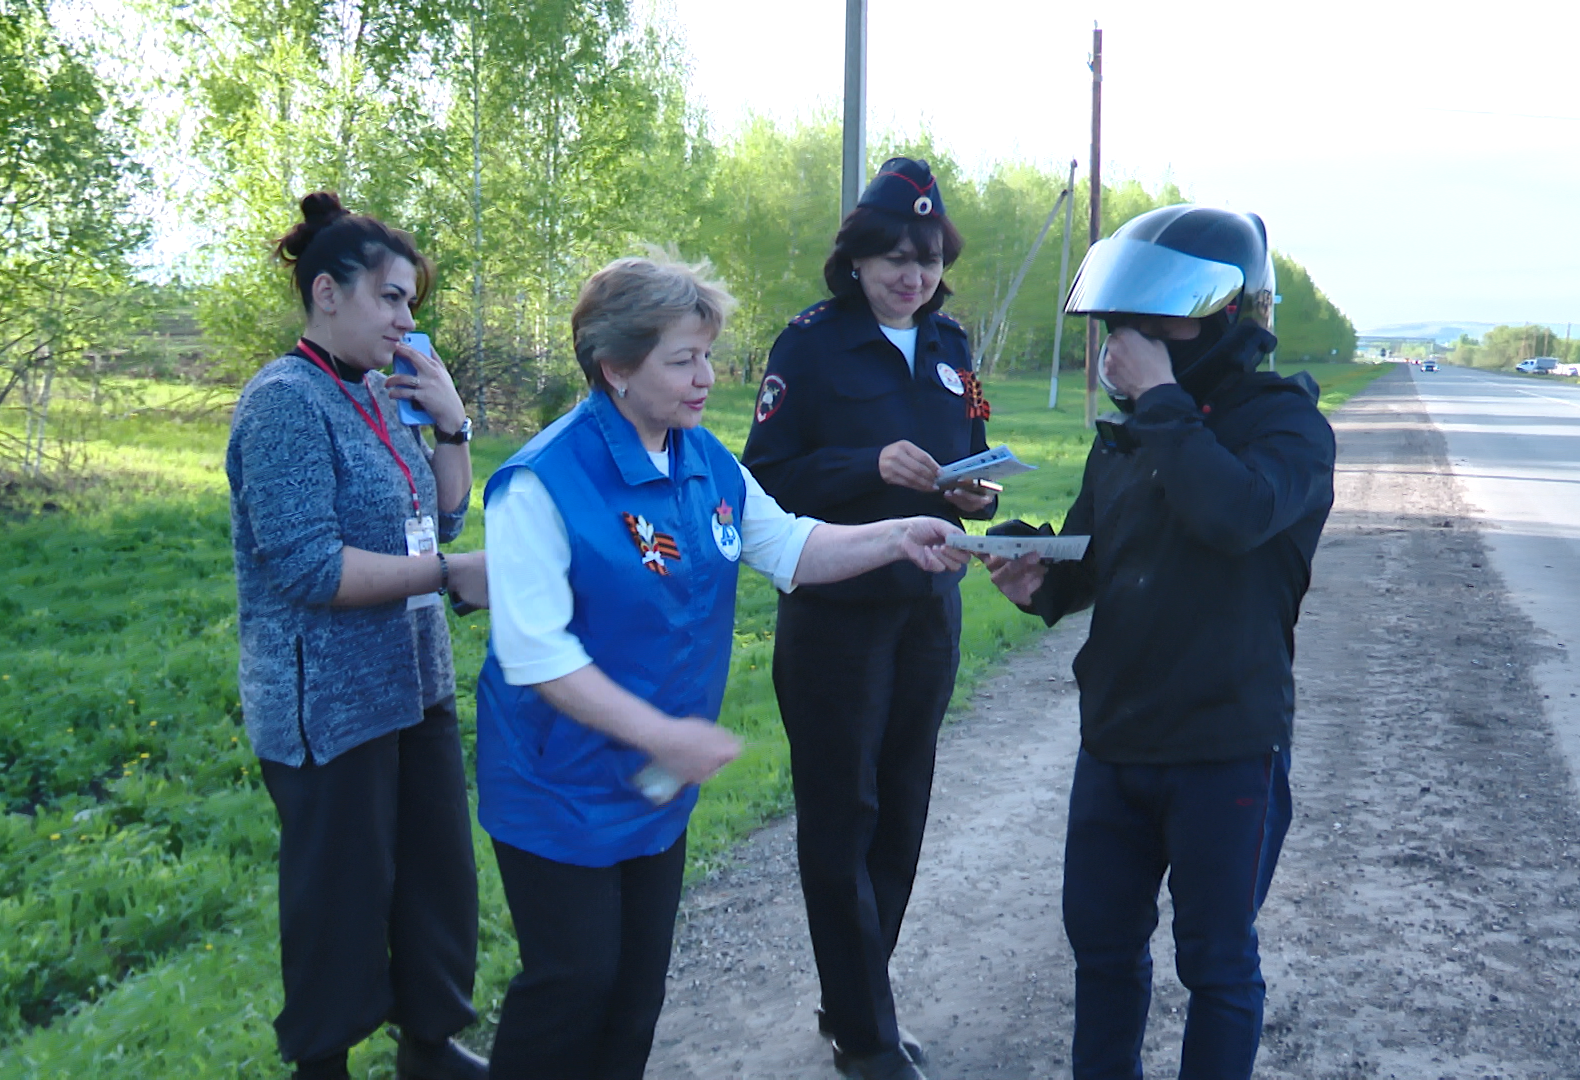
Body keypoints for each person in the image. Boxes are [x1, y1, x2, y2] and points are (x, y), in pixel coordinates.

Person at [473, 252, 969, 1080]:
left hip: (658, 786)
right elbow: (539, 657)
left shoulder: (703, 460)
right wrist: (666, 736)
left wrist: (897, 536)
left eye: (707, 354)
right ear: (616, 368)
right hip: (560, 787)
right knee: (573, 987)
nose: (707, 377)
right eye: (684, 359)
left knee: (635, 996)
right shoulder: (540, 484)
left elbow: (792, 546)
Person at [983, 205, 1336, 1080]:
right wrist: (1042, 579)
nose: (1128, 341)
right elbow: (1101, 557)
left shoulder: (1285, 428)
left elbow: (1231, 514)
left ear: (1221, 314)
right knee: (1102, 954)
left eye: (1155, 319)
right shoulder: (1140, 430)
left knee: (1216, 965)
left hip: (1226, 746)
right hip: (1115, 741)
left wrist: (1164, 401)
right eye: (1119, 321)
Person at [739, 156, 996, 1080]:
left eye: (925, 258)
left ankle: (856, 993)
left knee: (903, 813)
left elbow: (974, 451)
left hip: (928, 612)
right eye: (892, 256)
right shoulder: (806, 347)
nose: (910, 275)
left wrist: (975, 495)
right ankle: (865, 1034)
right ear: (854, 261)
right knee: (841, 815)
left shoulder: (956, 350)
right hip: (837, 619)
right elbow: (761, 480)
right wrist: (864, 467)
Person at [226, 192, 491, 1080]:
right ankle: (322, 1064)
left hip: (414, 680)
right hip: (328, 706)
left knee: (434, 880)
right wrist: (450, 577)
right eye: (391, 298)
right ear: (327, 294)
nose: (406, 318)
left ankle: (430, 1044)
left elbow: (446, 513)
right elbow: (310, 569)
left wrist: (450, 418)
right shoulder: (283, 402)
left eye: (411, 301)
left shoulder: (383, 394)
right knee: (338, 903)